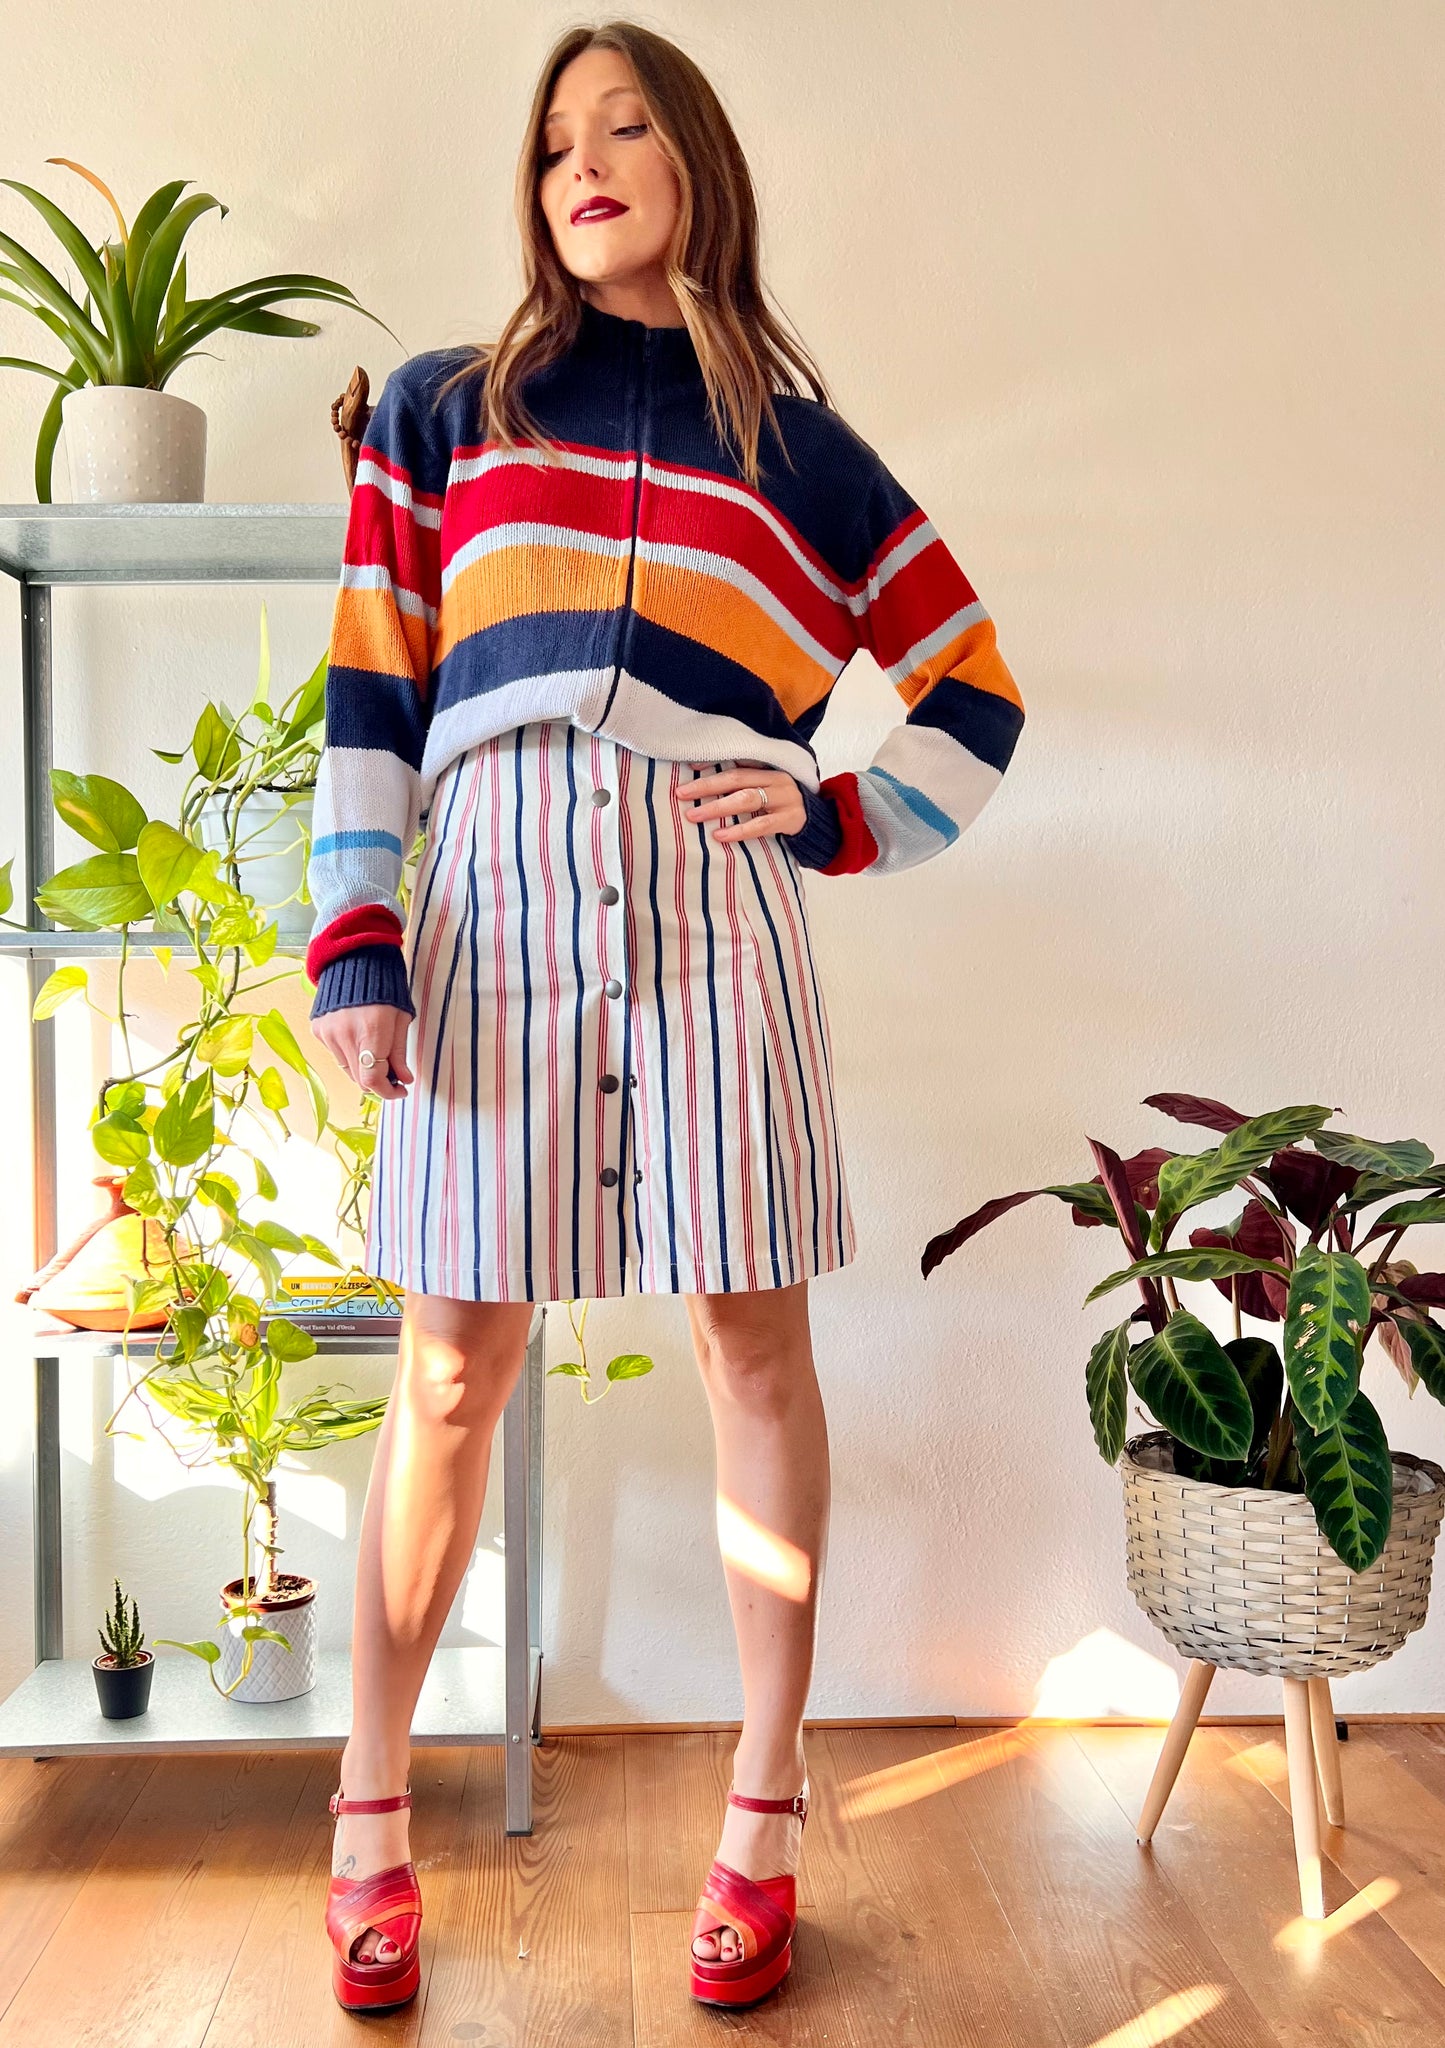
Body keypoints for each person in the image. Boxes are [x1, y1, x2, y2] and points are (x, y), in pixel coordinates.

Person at [307, 17, 1025, 2019]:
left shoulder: (801, 447)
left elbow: (972, 684)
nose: (588, 162)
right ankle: (369, 1813)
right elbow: (370, 688)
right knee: (450, 1363)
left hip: (719, 920)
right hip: (494, 907)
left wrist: (842, 806)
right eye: (554, 146)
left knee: (756, 1350)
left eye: (627, 126)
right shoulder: (449, 409)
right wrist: (356, 932)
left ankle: (765, 1810)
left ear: (698, 157)